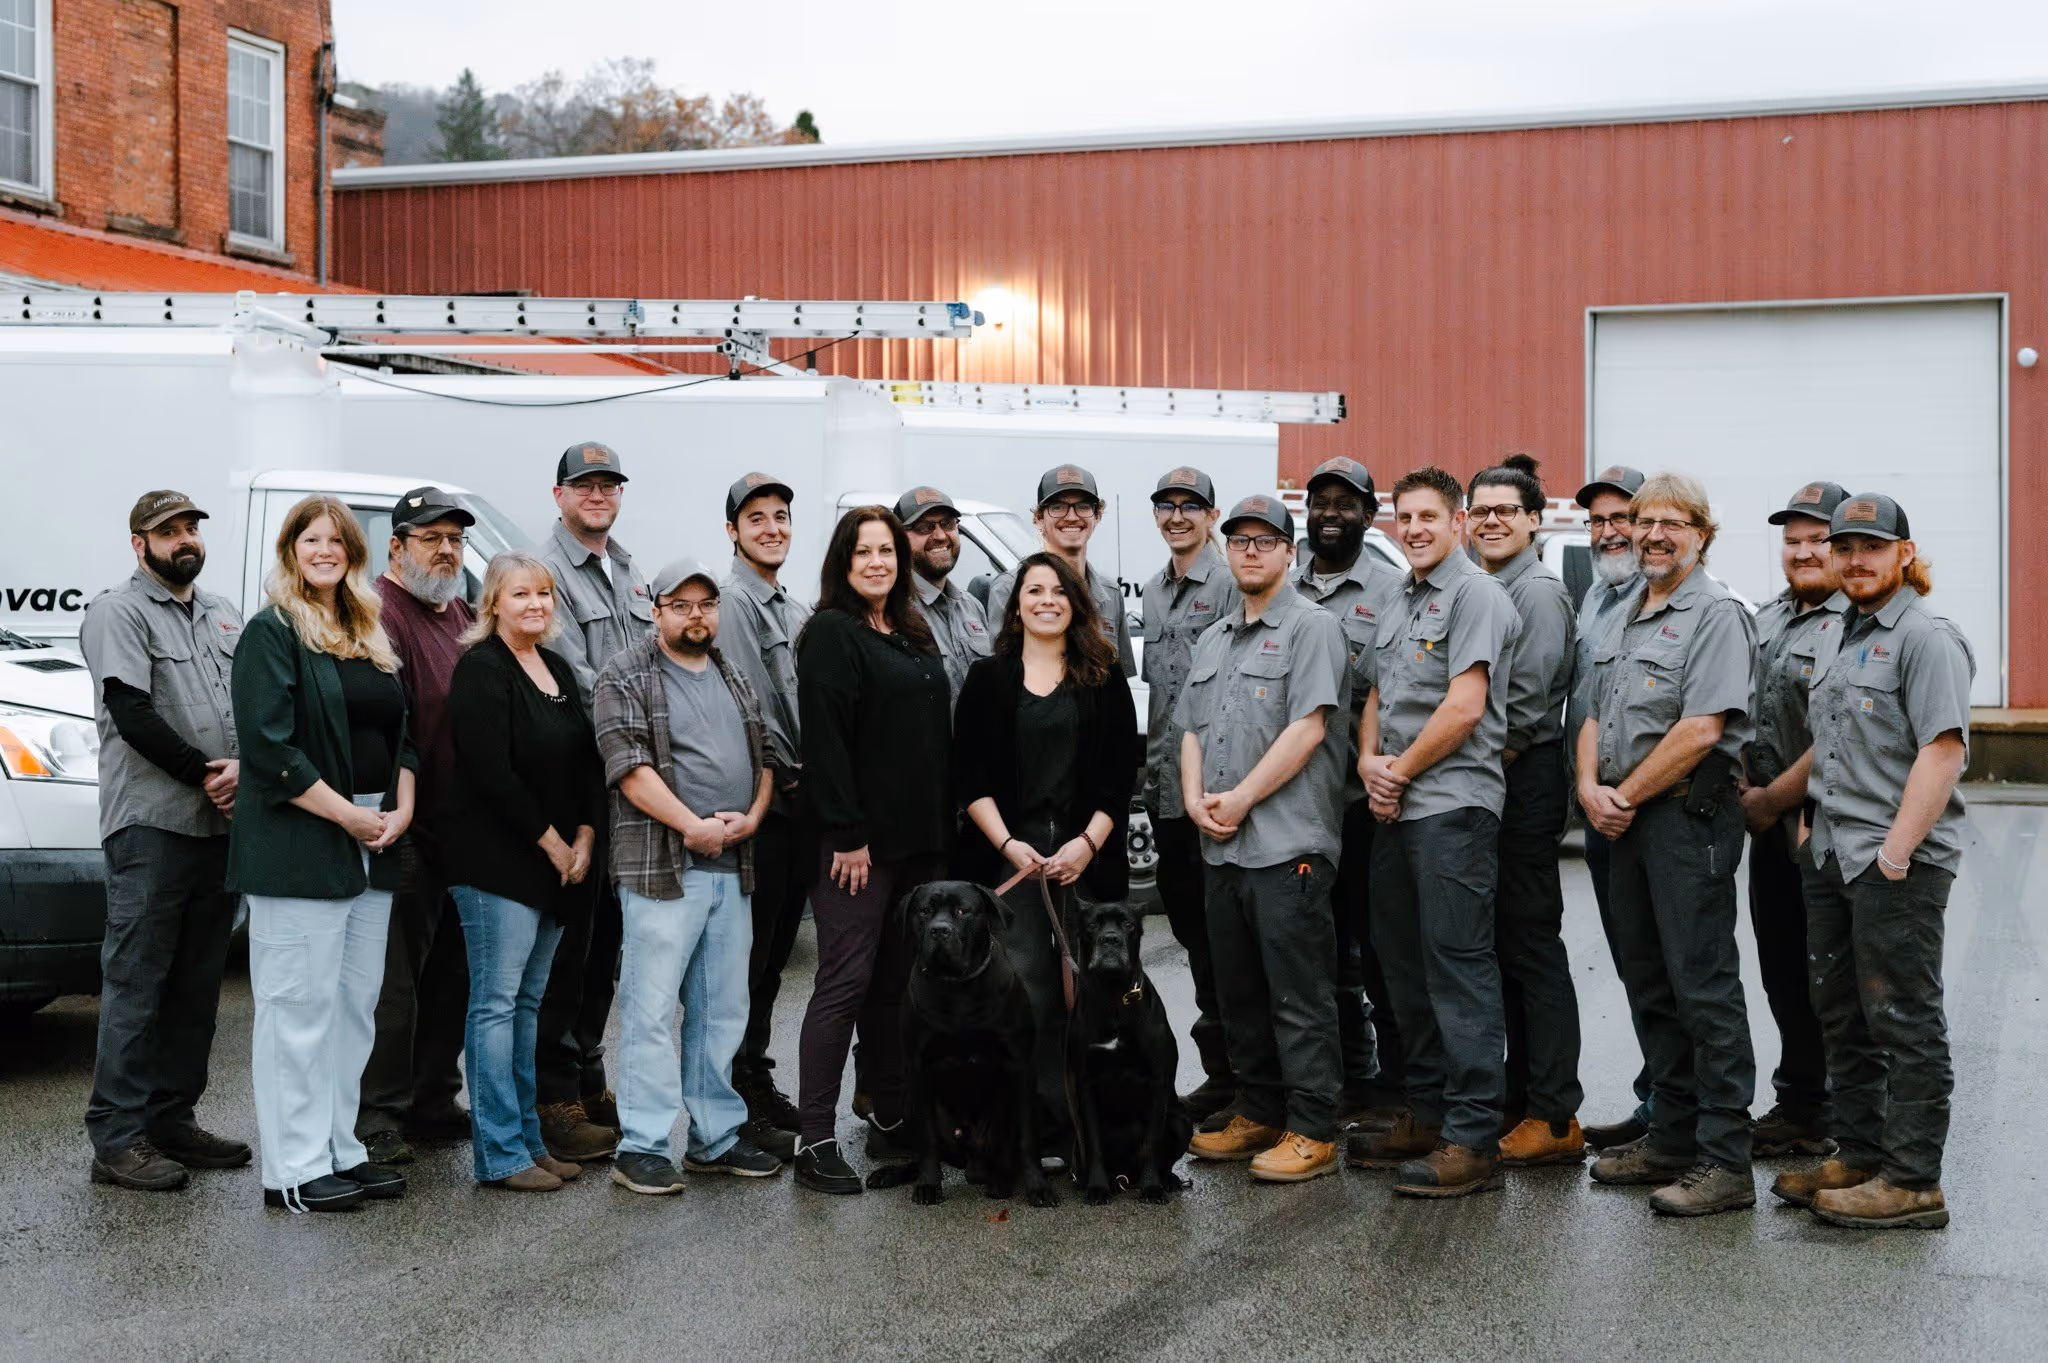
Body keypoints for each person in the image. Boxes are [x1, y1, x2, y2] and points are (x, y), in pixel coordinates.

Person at [1774, 493, 1971, 1230]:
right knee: (1843, 1013)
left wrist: (1895, 854)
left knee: (1903, 1016)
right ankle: (1859, 1156)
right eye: (1845, 547)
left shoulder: (1927, 638)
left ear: (1905, 554)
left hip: (1895, 862)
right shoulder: (1837, 633)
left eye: (1872, 547)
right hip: (1832, 853)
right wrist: (1807, 831)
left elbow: (1942, 752)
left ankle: (1914, 1181)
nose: (1855, 560)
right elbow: (1828, 742)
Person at [229, 495, 417, 1213]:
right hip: (304, 840)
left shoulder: (367, 628)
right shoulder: (271, 631)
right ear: (290, 551)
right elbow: (268, 746)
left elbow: (404, 734)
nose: (325, 550)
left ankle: (340, 1147)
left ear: (354, 553)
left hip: (375, 834)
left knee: (353, 1006)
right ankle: (294, 1168)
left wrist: (400, 807)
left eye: (337, 540)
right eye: (311, 539)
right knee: (297, 1008)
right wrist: (348, 816)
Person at [1579, 472, 1759, 1217]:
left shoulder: (1716, 615)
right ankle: (1673, 1136)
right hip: (1623, 818)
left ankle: (1727, 1158)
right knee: (1649, 983)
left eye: (1672, 523)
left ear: (1702, 535)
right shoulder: (1625, 611)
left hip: (1686, 820)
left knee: (1702, 986)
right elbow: (1593, 712)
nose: (1653, 535)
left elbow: (1701, 728)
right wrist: (1588, 786)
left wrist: (1622, 795)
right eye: (1644, 521)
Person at [1349, 466, 1520, 1199]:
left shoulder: (1477, 594)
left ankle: (1474, 1136)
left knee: (1457, 967)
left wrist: (1396, 773)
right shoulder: (1397, 595)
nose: (1415, 529)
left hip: (1452, 807)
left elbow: (1465, 706)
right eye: (1405, 517)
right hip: (1396, 805)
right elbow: (1375, 695)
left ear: (1458, 522)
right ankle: (1426, 1113)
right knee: (1401, 967)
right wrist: (1368, 762)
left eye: (1428, 516)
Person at [594, 559, 783, 1195]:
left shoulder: (732, 672)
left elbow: (765, 758)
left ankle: (715, 1136)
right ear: (656, 610)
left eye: (705, 604)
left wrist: (752, 817)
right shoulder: (625, 673)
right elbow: (628, 767)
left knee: (722, 1008)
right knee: (649, 1009)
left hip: (731, 866)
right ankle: (641, 1146)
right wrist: (692, 827)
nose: (695, 615)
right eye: (681, 605)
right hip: (664, 869)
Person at [1178, 495, 1351, 1184]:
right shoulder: (1214, 638)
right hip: (1221, 848)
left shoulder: (1314, 628)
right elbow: (1190, 731)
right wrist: (1194, 800)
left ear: (1290, 552)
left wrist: (1243, 797)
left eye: (1265, 540)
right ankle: (1258, 1108)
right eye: (1239, 541)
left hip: (1287, 847)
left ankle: (1312, 1126)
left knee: (1298, 996)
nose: (1250, 551)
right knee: (1239, 993)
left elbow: (1308, 729)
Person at [79, 492, 248, 1192]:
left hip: (220, 827)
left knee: (197, 986)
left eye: (190, 529)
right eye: (168, 531)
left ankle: (173, 1120)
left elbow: (249, 703)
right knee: (137, 983)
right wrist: (206, 773)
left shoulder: (222, 612)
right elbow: (131, 711)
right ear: (138, 543)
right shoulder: (117, 611)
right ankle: (117, 1138)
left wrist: (245, 772)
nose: (184, 540)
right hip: (152, 824)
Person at [791, 507, 954, 1195]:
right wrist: (848, 834)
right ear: (843, 562)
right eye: (864, 552)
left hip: (918, 844)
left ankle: (892, 1116)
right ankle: (814, 1138)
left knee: (894, 987)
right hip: (857, 849)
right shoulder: (832, 632)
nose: (878, 562)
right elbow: (825, 741)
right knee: (844, 983)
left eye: (887, 550)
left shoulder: (911, 629)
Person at [955, 551, 1138, 1154]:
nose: (1047, 601)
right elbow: (970, 780)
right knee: (1026, 994)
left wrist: (1087, 844)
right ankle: (1027, 1129)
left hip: (1087, 857)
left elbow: (1120, 777)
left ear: (1076, 604)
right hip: (1013, 861)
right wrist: (1009, 845)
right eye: (1034, 591)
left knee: (1092, 995)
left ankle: (1094, 1130)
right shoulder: (987, 679)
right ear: (1015, 607)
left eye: (1059, 591)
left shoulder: (1104, 675)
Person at [441, 552, 601, 1191]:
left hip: (557, 862)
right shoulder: (481, 669)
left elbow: (585, 762)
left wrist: (585, 835)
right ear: (492, 604)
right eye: (520, 594)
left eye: (544, 593)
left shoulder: (555, 667)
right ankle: (501, 1154)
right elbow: (493, 773)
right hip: (497, 864)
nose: (536, 604)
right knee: (496, 1006)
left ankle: (530, 1143)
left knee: (528, 1006)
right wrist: (554, 845)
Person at [1467, 456, 1585, 1167]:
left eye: (1506, 509)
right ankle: (1520, 1098)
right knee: (1505, 946)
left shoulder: (1536, 593)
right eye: (1481, 510)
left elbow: (1524, 709)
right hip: (1495, 776)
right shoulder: (1485, 585)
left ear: (1535, 520)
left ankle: (1554, 1112)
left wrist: (1463, 771)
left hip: (1523, 776)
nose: (1492, 520)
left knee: (1533, 946)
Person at [534, 440, 650, 1164]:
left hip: (626, 785)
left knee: (605, 943)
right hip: (580, 781)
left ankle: (587, 1075)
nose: (598, 494)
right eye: (585, 485)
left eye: (609, 484)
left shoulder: (629, 569)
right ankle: (553, 1096)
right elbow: (581, 680)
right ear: (560, 496)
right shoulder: (545, 572)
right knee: (567, 950)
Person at [357, 487, 478, 1166]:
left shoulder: (458, 611)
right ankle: (377, 1115)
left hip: (459, 832)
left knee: (450, 976)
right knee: (394, 984)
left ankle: (433, 1099)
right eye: (431, 538)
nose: (447, 551)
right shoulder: (382, 613)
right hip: (402, 826)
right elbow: (391, 725)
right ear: (397, 546)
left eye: (455, 539)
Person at [1291, 455, 1407, 1130]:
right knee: (1319, 950)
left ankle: (1397, 1088)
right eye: (1320, 502)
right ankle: (1347, 1076)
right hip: (1297, 805)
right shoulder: (1285, 584)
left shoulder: (1394, 590)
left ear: (1369, 512)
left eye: (1345, 502)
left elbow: (1394, 694)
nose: (1330, 513)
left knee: (1381, 948)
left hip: (1364, 806)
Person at [1742, 482, 1851, 1161]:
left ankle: (1846, 1116)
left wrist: (1772, 799)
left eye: (1818, 539)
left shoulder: (1855, 621)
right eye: (1793, 540)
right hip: (1769, 828)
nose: (1804, 551)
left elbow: (1836, 734)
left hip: (1827, 825)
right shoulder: (1768, 617)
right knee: (1783, 968)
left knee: (1833, 976)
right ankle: (1801, 1103)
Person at [1139, 467, 1241, 1122]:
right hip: (1167, 794)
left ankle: (1249, 1079)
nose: (1177, 516)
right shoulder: (1153, 591)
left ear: (1211, 514)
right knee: (1193, 936)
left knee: (1226, 940)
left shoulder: (1229, 583)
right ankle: (1223, 1073)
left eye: (1190, 506)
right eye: (1166, 505)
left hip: (1215, 795)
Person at [717, 473, 812, 1160]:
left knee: (774, 959)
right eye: (756, 518)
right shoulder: (734, 601)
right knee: (747, 962)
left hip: (798, 806)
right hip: (769, 806)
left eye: (780, 516)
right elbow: (756, 706)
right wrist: (798, 772)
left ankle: (754, 1073)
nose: (772, 528)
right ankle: (735, 1099)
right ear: (732, 531)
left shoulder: (792, 605)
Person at [1570, 464, 1657, 1153]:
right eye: (1598, 520)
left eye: (1621, 517)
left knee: (1670, 967)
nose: (1608, 532)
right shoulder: (1597, 597)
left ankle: (1677, 1116)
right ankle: (1657, 1098)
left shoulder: (1668, 599)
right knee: (1635, 963)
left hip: (1650, 810)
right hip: (1600, 810)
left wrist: (1618, 793)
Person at [986, 464, 1136, 677]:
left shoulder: (1111, 593)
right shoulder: (1009, 589)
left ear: (1097, 516)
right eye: (1057, 507)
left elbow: (1120, 681)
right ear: (1038, 518)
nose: (1072, 517)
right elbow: (1002, 679)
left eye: (1083, 506)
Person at [898, 485, 993, 708]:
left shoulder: (971, 606)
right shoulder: (893, 612)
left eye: (948, 524)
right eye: (925, 527)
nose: (940, 536)